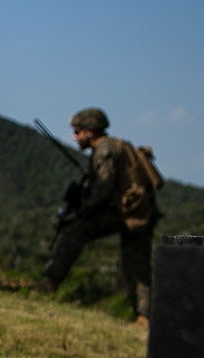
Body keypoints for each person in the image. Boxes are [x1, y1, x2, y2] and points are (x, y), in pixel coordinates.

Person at [43, 108, 162, 326]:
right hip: (140, 211)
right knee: (138, 265)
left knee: (74, 233)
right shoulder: (120, 145)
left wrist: (84, 210)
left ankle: (49, 284)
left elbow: (104, 187)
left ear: (90, 132)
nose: (75, 137)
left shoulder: (105, 150)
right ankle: (144, 315)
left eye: (78, 132)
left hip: (121, 212)